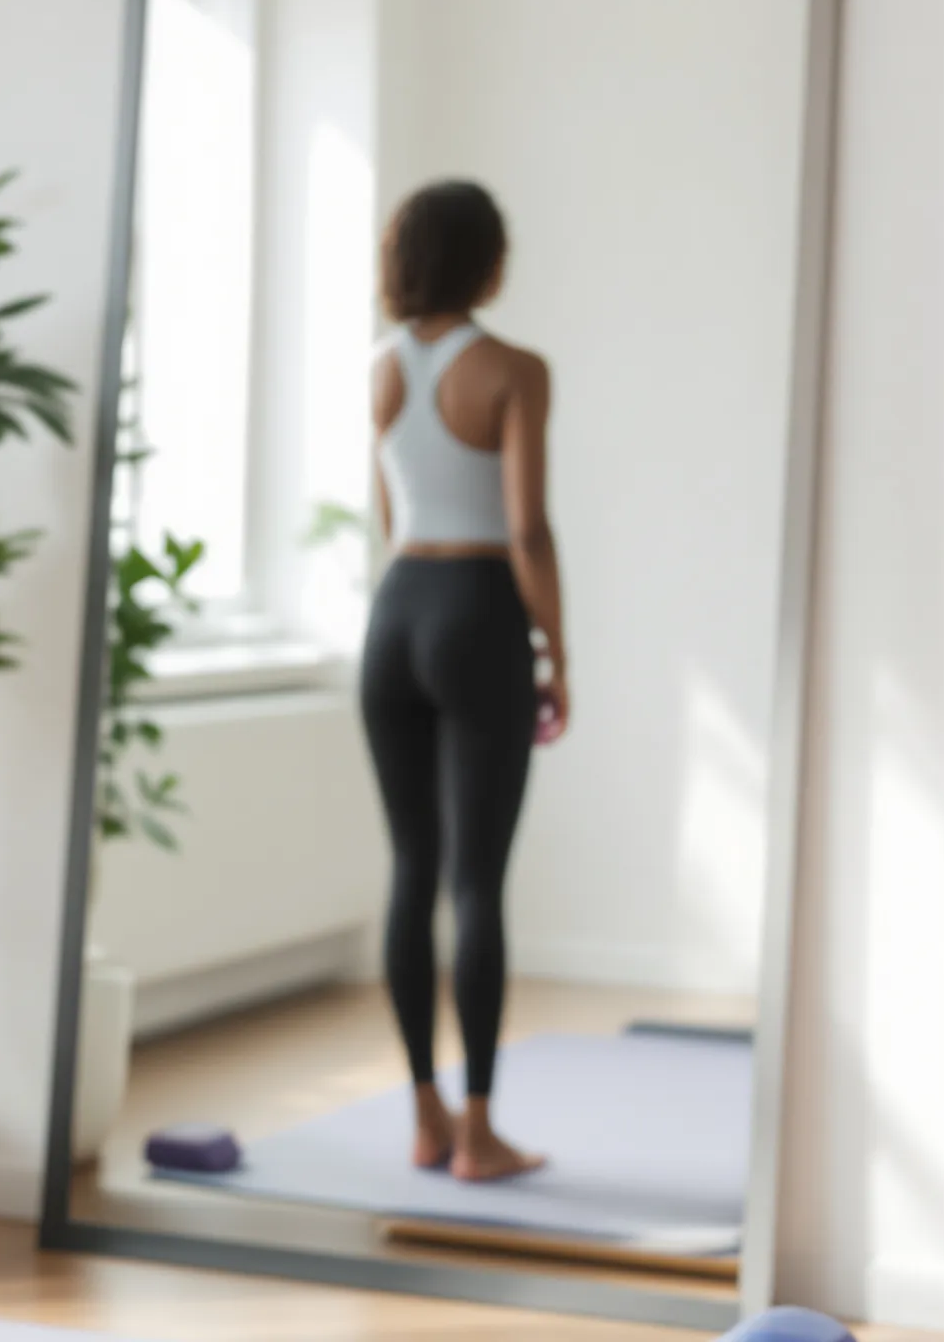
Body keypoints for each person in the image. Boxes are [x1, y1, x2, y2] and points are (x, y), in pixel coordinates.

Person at [357, 179, 561, 1183]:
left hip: (394, 614)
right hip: (477, 612)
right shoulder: (512, 370)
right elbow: (524, 527)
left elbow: (388, 515)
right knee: (476, 880)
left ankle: (425, 1116)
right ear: (488, 261)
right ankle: (480, 1134)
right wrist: (553, 653)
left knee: (411, 870)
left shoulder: (378, 371)